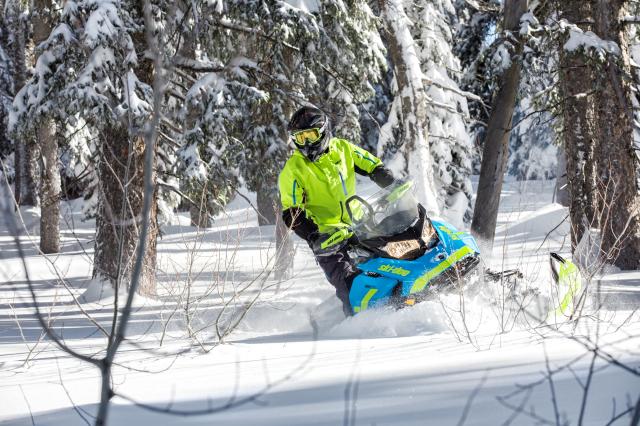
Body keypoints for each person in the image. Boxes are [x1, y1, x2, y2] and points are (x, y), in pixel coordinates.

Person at [278, 106, 396, 316]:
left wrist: (390, 183)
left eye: (310, 135)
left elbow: (372, 166)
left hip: (360, 225)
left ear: (323, 131)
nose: (306, 143)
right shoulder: (293, 169)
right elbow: (292, 212)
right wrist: (313, 235)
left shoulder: (343, 149)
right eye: (300, 138)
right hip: (328, 238)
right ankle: (358, 324)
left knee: (395, 260)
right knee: (350, 284)